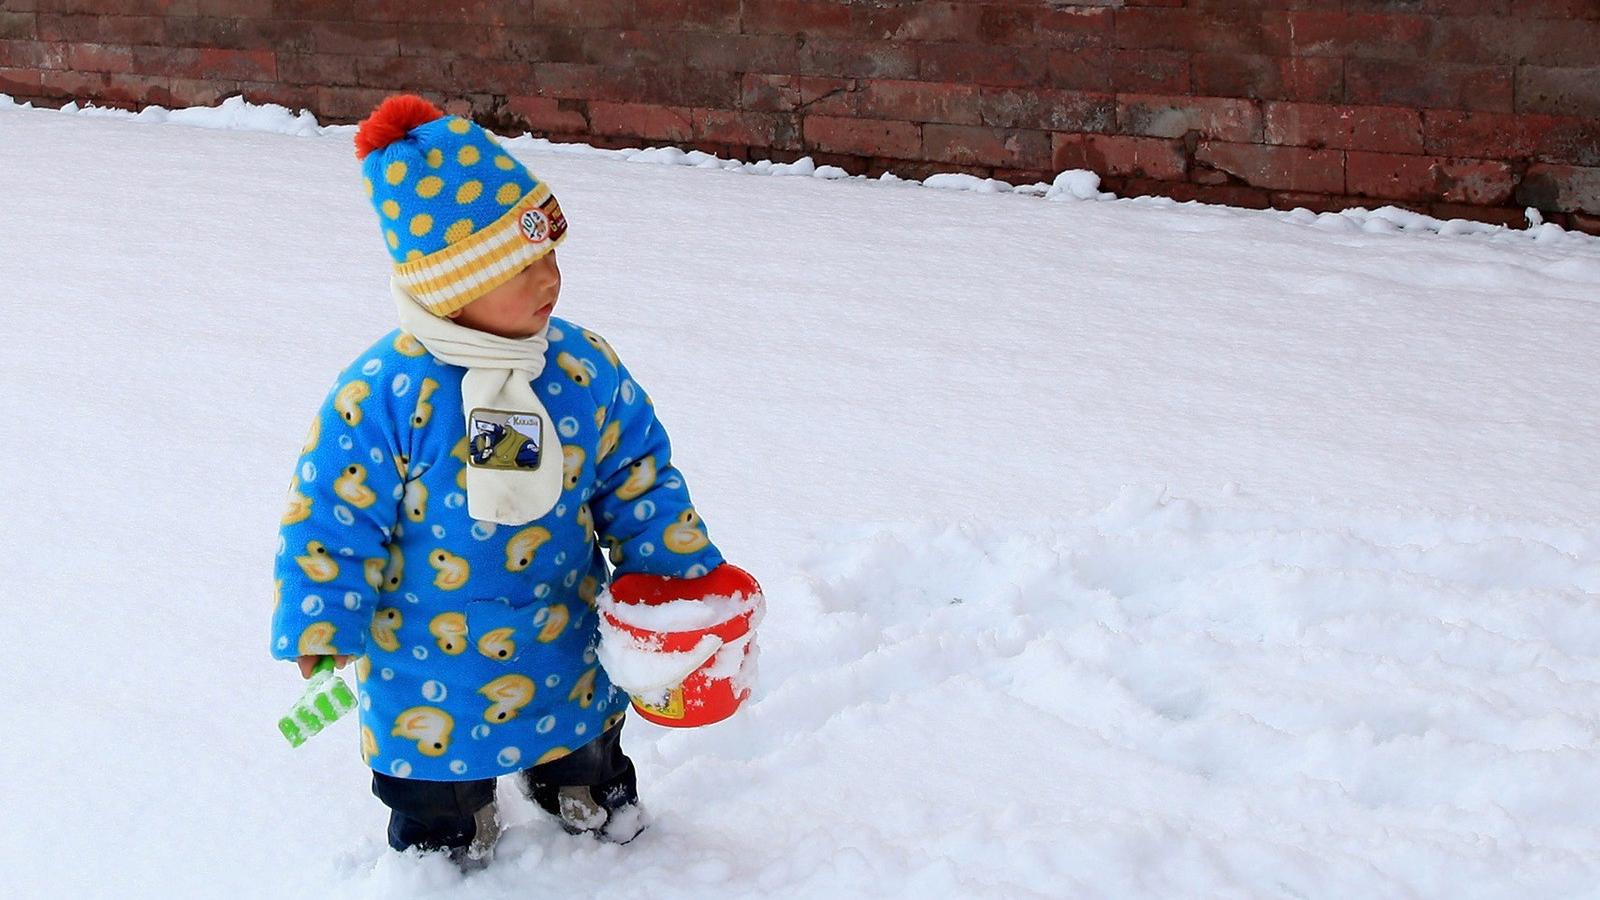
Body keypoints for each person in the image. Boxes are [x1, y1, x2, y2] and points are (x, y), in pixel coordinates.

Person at [269, 94, 741, 863]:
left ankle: (585, 790)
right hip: (427, 655)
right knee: (430, 777)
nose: (549, 279)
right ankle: (444, 838)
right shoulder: (387, 392)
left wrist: (675, 570)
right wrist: (322, 615)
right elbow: (331, 513)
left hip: (561, 623)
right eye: (522, 267)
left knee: (583, 730)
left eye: (551, 255)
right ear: (454, 285)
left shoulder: (581, 369)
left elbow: (638, 473)